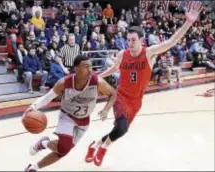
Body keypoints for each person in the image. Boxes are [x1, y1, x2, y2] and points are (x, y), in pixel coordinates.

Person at [85, 1, 203, 166]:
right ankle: (102, 150)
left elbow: (170, 43)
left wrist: (188, 22)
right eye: (128, 40)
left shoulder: (149, 53)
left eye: (133, 40)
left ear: (141, 40)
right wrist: (97, 77)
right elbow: (113, 69)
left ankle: (95, 145)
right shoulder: (122, 54)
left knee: (118, 131)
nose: (129, 43)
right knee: (122, 128)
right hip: (121, 96)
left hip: (136, 101)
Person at [24, 55, 116, 171]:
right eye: (86, 66)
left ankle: (34, 166)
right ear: (77, 69)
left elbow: (113, 93)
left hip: (84, 120)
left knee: (63, 152)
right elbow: (47, 98)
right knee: (63, 148)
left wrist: (106, 109)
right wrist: (33, 106)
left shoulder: (97, 82)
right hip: (67, 117)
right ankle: (44, 144)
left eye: (91, 66)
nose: (90, 70)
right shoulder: (64, 83)